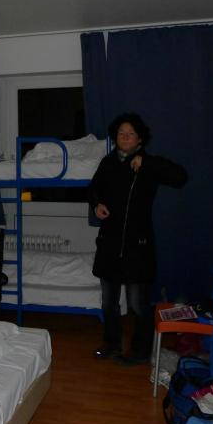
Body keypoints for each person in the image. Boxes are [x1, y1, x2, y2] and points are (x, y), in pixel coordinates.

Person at [88, 112, 187, 365]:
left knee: (137, 303)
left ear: (140, 138)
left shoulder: (148, 164)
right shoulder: (107, 163)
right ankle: (111, 344)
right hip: (109, 243)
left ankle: (141, 351)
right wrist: (97, 204)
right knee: (109, 302)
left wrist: (148, 164)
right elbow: (94, 189)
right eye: (121, 133)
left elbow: (180, 178)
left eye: (130, 133)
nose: (125, 137)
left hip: (137, 245)